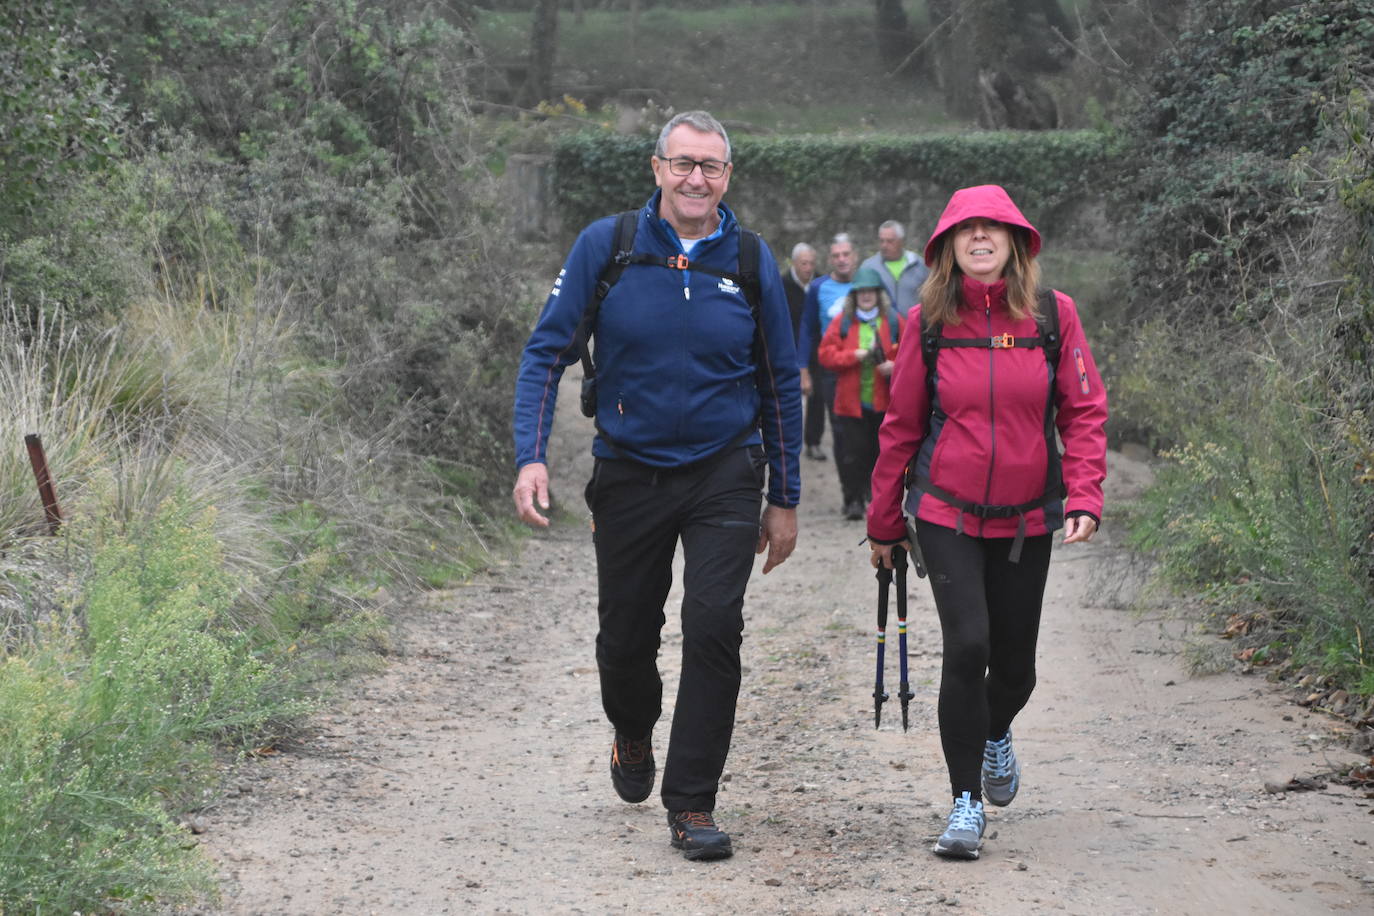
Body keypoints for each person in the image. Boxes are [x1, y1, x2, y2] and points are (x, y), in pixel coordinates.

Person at [511, 111, 802, 863]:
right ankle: (632, 731)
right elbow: (547, 352)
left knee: (713, 627)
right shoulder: (606, 247)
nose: (696, 179)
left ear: (728, 177)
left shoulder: (748, 257)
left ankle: (693, 803)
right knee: (627, 642)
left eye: (710, 166)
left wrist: (786, 496)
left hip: (725, 473)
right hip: (629, 471)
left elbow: (780, 383)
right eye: (683, 164)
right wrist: (530, 456)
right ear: (657, 168)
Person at [865, 185, 1107, 860]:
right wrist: (885, 522)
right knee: (967, 646)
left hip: (1027, 519)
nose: (979, 238)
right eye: (965, 229)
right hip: (946, 512)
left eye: (991, 228)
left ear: (1014, 242)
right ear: (946, 246)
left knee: (1016, 669)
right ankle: (965, 802)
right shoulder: (929, 324)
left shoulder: (1054, 317)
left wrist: (1085, 494)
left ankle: (996, 730)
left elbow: (1083, 412)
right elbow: (902, 426)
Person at [817, 267, 903, 520]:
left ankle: (874, 497)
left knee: (879, 454)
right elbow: (825, 355)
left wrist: (895, 367)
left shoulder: (894, 321)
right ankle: (852, 499)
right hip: (850, 403)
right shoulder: (842, 322)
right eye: (861, 292)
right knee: (851, 454)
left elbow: (914, 355)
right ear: (854, 296)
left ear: (879, 295)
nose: (866, 296)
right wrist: (852, 356)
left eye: (870, 291)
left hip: (884, 404)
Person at [797, 234, 858, 470]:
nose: (841, 259)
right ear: (830, 259)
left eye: (846, 254)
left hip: (864, 367)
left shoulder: (868, 283)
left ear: (855, 256)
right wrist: (802, 369)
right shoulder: (818, 287)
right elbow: (807, 328)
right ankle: (851, 492)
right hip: (831, 368)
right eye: (836, 255)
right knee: (840, 426)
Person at [781, 242, 827, 463]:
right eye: (804, 264)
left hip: (814, 349)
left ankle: (814, 442)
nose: (808, 268)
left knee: (817, 398)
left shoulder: (820, 284)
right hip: (787, 349)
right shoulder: (782, 285)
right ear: (794, 263)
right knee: (789, 400)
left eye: (811, 263)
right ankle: (787, 443)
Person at [859, 220, 929, 318]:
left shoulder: (919, 265)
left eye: (890, 241)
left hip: (914, 328)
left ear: (901, 241)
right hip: (881, 330)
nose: (884, 245)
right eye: (881, 241)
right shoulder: (868, 267)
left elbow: (931, 298)